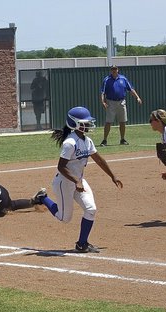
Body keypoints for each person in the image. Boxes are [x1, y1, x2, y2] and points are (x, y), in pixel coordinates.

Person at [33, 106, 123, 253]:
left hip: (78, 181)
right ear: (74, 123)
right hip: (64, 183)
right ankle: (42, 198)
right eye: (84, 122)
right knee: (64, 218)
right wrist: (76, 181)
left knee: (91, 209)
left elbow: (99, 160)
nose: (87, 124)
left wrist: (113, 176)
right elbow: (61, 167)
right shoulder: (70, 143)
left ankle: (82, 244)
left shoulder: (87, 141)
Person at [100, 65, 142, 146]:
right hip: (110, 102)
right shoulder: (106, 80)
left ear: (118, 70)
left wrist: (137, 97)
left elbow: (131, 89)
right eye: (112, 69)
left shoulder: (123, 78)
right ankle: (104, 140)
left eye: (115, 69)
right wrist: (103, 101)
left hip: (122, 102)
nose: (114, 70)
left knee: (122, 121)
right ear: (110, 70)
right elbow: (102, 92)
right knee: (108, 122)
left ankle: (122, 139)